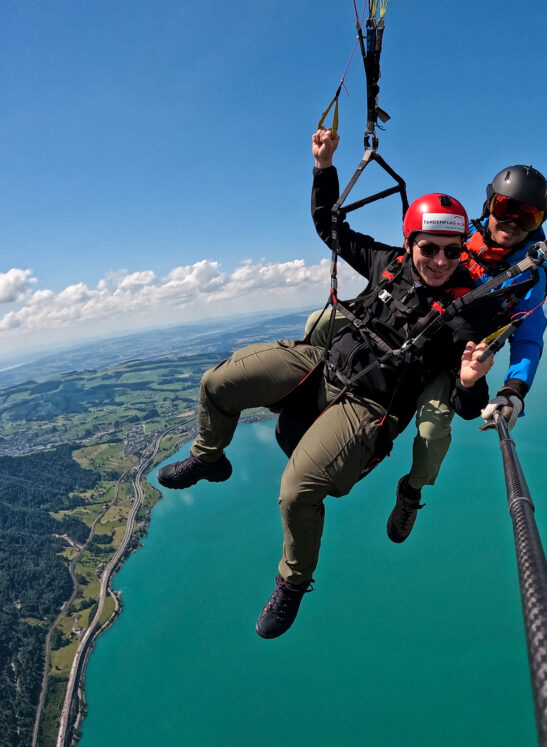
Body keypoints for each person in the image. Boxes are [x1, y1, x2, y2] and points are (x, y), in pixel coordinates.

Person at [157, 174, 495, 639]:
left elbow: (465, 405)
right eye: (429, 248)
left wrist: (472, 381)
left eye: (452, 250)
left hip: (368, 404)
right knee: (218, 381)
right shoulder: (387, 263)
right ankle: (208, 457)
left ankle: (292, 582)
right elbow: (329, 227)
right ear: (410, 242)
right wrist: (325, 167)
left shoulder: (464, 313)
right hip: (321, 365)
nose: (440, 260)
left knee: (297, 490)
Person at [310, 129, 547, 544]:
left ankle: (411, 491)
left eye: (527, 217)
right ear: (489, 204)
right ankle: (308, 394)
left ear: (539, 223)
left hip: (452, 356)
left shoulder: (528, 276)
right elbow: (398, 243)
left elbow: (528, 334)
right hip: (406, 331)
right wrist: (325, 167)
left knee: (433, 428)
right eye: (506, 208)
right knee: (322, 321)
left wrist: (514, 389)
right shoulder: (455, 235)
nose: (512, 223)